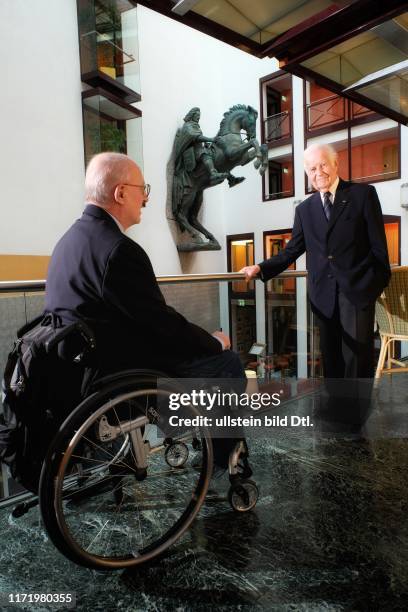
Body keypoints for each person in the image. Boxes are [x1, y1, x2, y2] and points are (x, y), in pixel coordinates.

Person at [45, 152, 246, 468]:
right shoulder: (119, 250)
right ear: (121, 193)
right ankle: (224, 460)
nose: (147, 199)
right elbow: (161, 325)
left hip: (78, 368)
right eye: (143, 189)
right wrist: (213, 342)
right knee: (227, 363)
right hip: (120, 373)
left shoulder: (67, 242)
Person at [241, 144, 391, 419]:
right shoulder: (305, 209)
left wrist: (370, 288)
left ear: (335, 164)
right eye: (312, 169)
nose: (318, 172)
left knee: (357, 357)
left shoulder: (362, 195)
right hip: (323, 295)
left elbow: (379, 251)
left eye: (323, 165)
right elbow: (291, 250)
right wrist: (260, 267)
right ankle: (337, 409)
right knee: (331, 356)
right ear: (307, 174)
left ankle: (357, 416)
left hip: (356, 292)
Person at [173, 107, 225, 181]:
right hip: (191, 151)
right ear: (192, 115)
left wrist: (206, 143)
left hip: (198, 148)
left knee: (213, 153)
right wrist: (211, 139)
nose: (198, 118)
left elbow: (199, 138)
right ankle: (213, 173)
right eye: (197, 116)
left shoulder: (196, 126)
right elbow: (196, 137)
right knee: (204, 153)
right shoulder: (188, 126)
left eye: (199, 117)